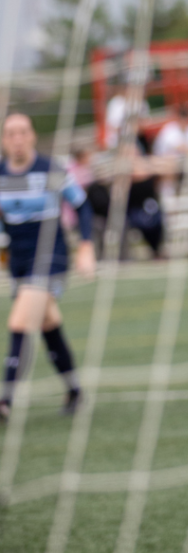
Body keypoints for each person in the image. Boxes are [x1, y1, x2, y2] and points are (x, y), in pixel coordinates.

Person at [0, 113, 95, 419]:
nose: (16, 138)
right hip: (20, 262)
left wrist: (85, 246)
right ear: (3, 140)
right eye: (10, 133)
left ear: (31, 136)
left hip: (51, 259)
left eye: (22, 132)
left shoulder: (51, 170)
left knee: (18, 323)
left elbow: (81, 205)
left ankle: (5, 399)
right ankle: (75, 391)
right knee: (47, 324)